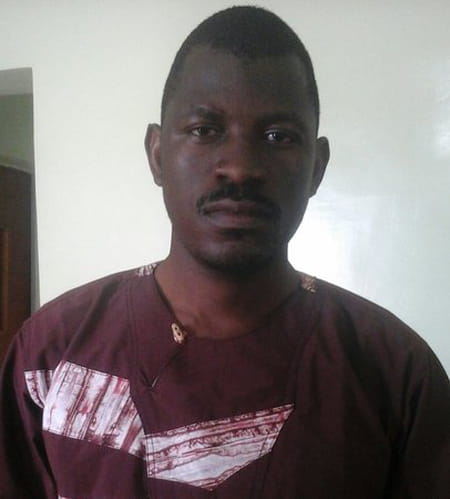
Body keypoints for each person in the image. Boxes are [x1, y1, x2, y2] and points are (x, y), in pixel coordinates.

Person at [1, 6, 449, 498]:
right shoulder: (50, 355)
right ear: (157, 154)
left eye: (278, 136)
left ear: (317, 167)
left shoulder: (394, 373)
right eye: (204, 129)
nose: (239, 167)